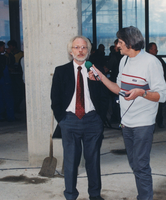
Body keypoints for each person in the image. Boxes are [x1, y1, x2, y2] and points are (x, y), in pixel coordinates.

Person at [89, 26, 166, 200]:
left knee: (140, 165)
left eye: (120, 42)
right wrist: (100, 77)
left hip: (143, 123)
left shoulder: (151, 62)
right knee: (134, 164)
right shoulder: (124, 61)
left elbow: (162, 96)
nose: (117, 45)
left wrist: (142, 92)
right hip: (127, 122)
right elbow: (119, 89)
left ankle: (145, 197)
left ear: (130, 43)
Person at [51, 36, 108, 200]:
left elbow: (104, 97)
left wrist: (99, 117)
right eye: (77, 47)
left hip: (92, 121)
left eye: (84, 47)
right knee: (70, 162)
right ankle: (70, 195)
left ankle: (95, 195)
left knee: (93, 161)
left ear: (88, 51)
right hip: (69, 121)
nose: (80, 50)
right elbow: (55, 99)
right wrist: (62, 119)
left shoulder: (95, 71)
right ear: (71, 51)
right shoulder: (61, 71)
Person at [147, 42, 166, 128]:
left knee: (158, 106)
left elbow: (165, 73)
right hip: (147, 87)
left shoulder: (158, 60)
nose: (157, 50)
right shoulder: (145, 60)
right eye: (155, 49)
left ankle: (159, 121)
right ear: (150, 50)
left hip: (156, 87)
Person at [0, 41, 15, 122]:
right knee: (8, 100)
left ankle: (1, 115)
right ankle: (10, 116)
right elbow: (11, 62)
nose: (5, 48)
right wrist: (10, 54)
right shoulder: (3, 57)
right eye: (3, 47)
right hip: (5, 80)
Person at [6, 40, 24, 113]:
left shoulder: (20, 54)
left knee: (19, 92)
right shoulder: (8, 54)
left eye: (10, 46)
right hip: (11, 75)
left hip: (18, 75)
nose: (9, 48)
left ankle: (17, 107)